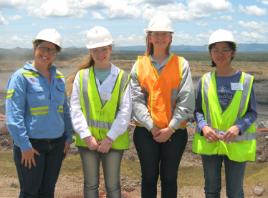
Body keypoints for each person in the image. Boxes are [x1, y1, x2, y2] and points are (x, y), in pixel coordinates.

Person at [130, 15, 195, 198]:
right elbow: (136, 101)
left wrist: (170, 128)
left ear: (170, 38)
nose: (160, 38)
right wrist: (152, 127)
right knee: (149, 178)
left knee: (169, 178)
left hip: (175, 133)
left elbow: (187, 100)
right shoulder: (139, 65)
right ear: (149, 37)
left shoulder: (182, 64)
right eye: (156, 34)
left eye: (164, 34)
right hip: (145, 132)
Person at [5, 28, 73, 197]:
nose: (46, 53)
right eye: (43, 47)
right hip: (32, 147)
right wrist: (24, 146)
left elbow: (64, 109)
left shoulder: (58, 77)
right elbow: (14, 116)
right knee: (30, 192)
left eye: (52, 50)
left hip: (57, 146)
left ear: (56, 53)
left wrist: (68, 136)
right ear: (35, 47)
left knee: (48, 191)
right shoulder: (21, 77)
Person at [192, 29, 257, 198]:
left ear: (233, 52)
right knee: (211, 190)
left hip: (236, 144)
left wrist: (238, 127)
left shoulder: (246, 81)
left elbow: (252, 113)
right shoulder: (204, 81)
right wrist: (204, 127)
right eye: (215, 50)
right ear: (210, 53)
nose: (220, 54)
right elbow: (197, 111)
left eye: (225, 50)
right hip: (210, 142)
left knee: (235, 192)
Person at [69, 26, 131, 198]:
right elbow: (75, 108)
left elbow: (125, 111)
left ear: (110, 49)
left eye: (104, 49)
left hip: (114, 141)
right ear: (90, 51)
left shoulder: (122, 77)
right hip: (88, 141)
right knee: (90, 184)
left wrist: (109, 138)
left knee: (113, 185)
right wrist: (87, 137)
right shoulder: (81, 77)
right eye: (95, 50)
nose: (100, 53)